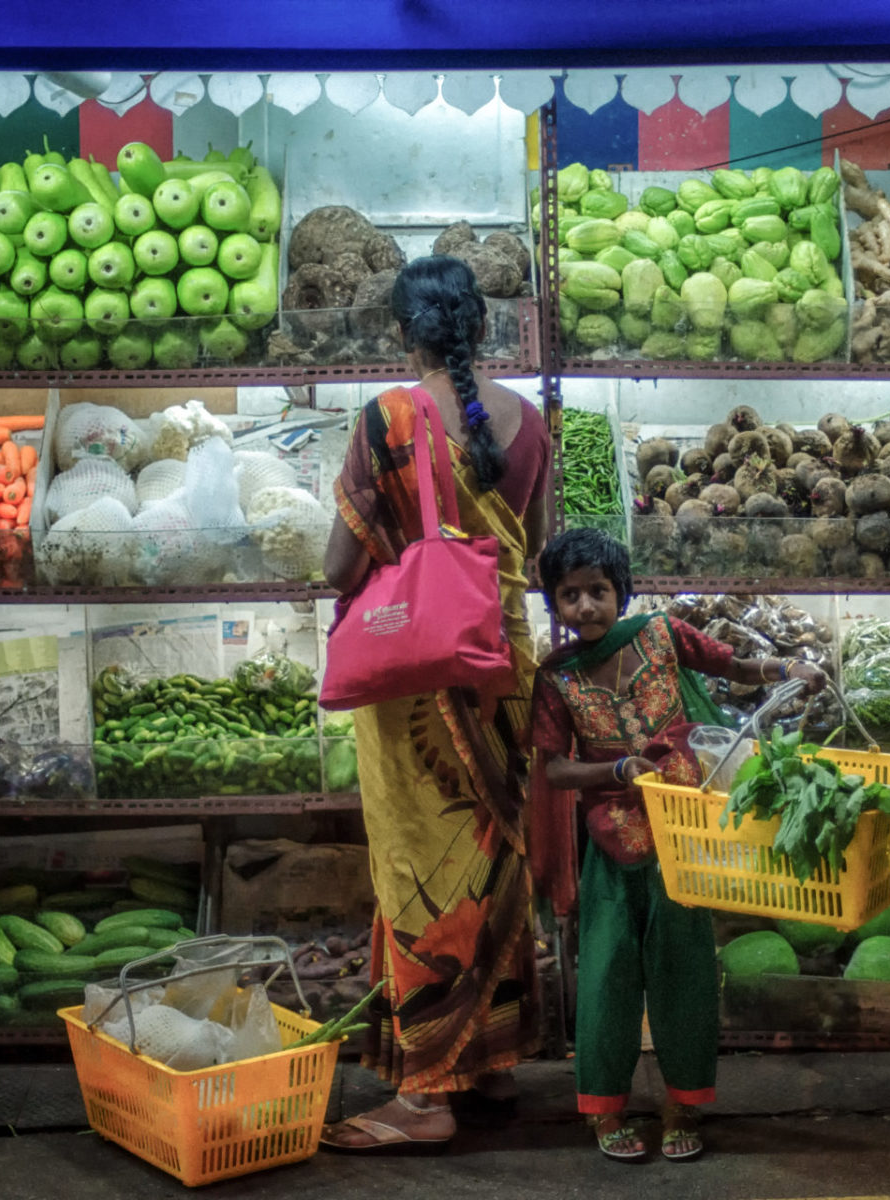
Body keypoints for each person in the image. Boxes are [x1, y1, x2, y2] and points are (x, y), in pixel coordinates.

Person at [319, 257, 551, 1153]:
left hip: (418, 678)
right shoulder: (530, 421)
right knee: (493, 859)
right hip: (502, 661)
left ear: (403, 334)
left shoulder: (388, 418)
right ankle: (487, 1060)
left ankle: (425, 1092)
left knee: (421, 867)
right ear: (480, 328)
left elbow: (343, 566)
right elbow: (529, 546)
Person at [529, 528, 825, 1162]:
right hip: (611, 848)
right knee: (607, 978)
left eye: (599, 591)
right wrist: (613, 772)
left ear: (623, 593)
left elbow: (732, 666)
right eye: (570, 595)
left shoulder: (662, 634)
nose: (586, 606)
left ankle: (683, 1107)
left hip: (685, 843)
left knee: (684, 974)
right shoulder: (555, 680)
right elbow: (553, 769)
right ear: (554, 603)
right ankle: (606, 1115)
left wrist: (788, 667)